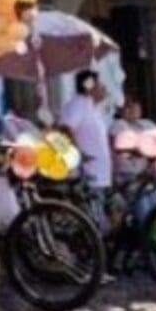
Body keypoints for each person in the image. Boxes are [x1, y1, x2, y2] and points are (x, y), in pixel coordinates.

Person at [59, 70, 113, 230]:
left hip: (100, 174)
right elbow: (64, 129)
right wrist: (76, 154)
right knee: (94, 221)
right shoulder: (79, 104)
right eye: (99, 84)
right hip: (88, 173)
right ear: (89, 86)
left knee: (101, 215)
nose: (103, 88)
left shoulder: (93, 107)